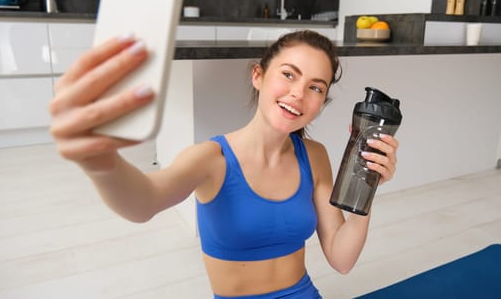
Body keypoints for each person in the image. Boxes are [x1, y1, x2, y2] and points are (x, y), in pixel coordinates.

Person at [49, 30, 399, 298]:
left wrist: (366, 191)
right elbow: (143, 201)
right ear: (258, 75)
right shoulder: (211, 159)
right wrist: (100, 162)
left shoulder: (315, 155)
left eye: (315, 88)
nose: (299, 94)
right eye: (289, 75)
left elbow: (342, 259)